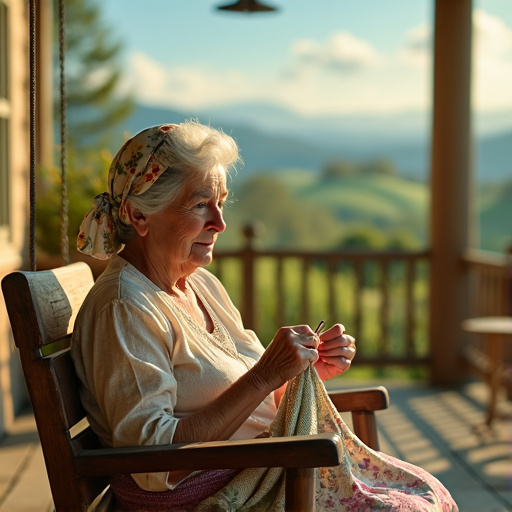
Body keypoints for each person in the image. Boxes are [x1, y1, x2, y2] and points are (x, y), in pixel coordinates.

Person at [72, 121, 458, 511]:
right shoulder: (125, 308)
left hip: (262, 471)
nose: (220, 223)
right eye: (200, 203)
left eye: (221, 202)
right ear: (140, 216)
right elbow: (154, 462)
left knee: (424, 491)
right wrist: (266, 373)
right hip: (217, 496)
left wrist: (304, 371)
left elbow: (248, 400)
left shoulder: (200, 284)